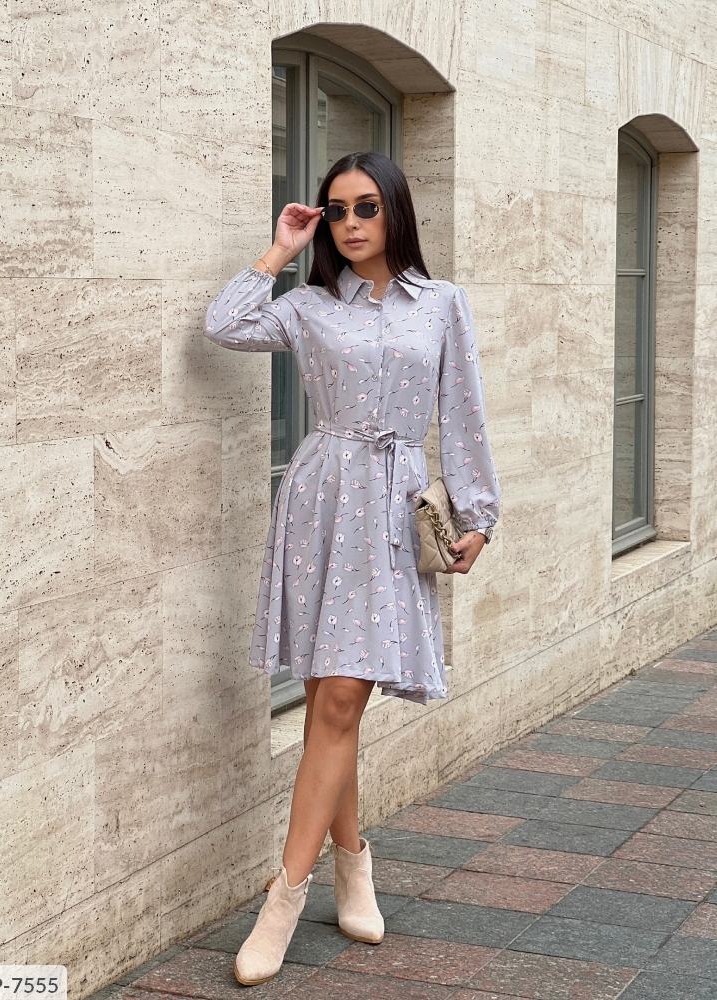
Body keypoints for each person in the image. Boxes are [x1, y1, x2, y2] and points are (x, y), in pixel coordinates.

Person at [204, 151, 500, 986]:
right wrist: (280, 248)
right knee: (332, 702)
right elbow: (223, 325)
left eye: (367, 206)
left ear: (395, 209)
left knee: (340, 698)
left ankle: (283, 898)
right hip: (321, 501)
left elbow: (463, 411)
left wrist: (478, 513)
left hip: (394, 508)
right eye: (336, 210)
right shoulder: (307, 306)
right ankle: (350, 866)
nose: (351, 222)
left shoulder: (441, 304)